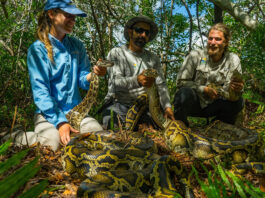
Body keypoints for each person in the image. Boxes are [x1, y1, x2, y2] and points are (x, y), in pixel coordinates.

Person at [3, 0, 106, 151]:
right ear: (51, 14)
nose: (73, 20)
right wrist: (60, 122)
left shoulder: (77, 46)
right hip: (48, 114)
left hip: (76, 111)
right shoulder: (37, 50)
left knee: (98, 136)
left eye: (74, 17)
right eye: (68, 15)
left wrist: (93, 75)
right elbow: (41, 93)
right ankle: (14, 136)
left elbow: (82, 80)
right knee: (51, 143)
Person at [102, 15, 175, 129]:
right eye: (139, 30)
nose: (143, 35)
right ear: (130, 32)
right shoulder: (116, 53)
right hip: (118, 103)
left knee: (152, 133)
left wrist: (167, 107)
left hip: (144, 106)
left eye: (147, 32)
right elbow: (115, 83)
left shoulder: (153, 58)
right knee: (113, 131)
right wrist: (137, 80)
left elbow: (161, 85)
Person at [173, 23, 244, 127]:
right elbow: (180, 82)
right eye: (210, 39)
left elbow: (233, 93)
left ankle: (217, 128)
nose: (212, 43)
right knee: (183, 93)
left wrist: (238, 89)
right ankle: (180, 127)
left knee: (239, 102)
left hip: (216, 105)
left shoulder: (233, 60)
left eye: (217, 39)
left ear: (226, 42)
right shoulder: (195, 55)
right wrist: (204, 89)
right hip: (196, 103)